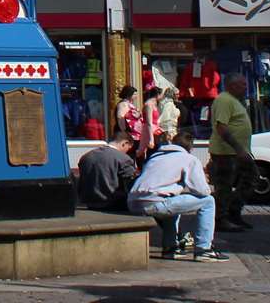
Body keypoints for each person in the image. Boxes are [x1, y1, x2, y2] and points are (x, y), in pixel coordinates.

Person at [127, 132, 230, 262]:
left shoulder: (155, 157)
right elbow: (202, 191)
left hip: (134, 201)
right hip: (156, 202)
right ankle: (203, 249)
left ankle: (171, 249)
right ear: (190, 148)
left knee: (173, 203)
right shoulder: (189, 159)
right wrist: (205, 182)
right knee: (208, 202)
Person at [208, 73, 256, 231]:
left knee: (250, 178)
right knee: (224, 186)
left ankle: (233, 212)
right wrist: (238, 148)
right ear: (232, 85)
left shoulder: (235, 101)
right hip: (226, 153)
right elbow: (222, 127)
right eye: (242, 84)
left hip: (237, 152)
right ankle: (221, 218)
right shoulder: (224, 100)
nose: (245, 87)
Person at [76, 130, 139, 213]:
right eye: (128, 149)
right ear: (125, 143)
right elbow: (133, 183)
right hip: (112, 203)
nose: (127, 152)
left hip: (88, 203)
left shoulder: (86, 157)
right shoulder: (123, 158)